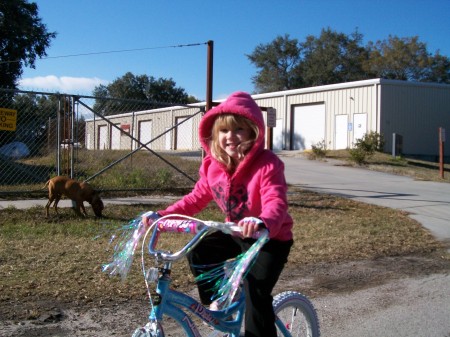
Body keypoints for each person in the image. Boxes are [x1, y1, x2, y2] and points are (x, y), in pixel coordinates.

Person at [143, 91, 293, 337]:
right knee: (201, 250)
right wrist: (162, 215)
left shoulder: (267, 164)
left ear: (253, 132)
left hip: (270, 238)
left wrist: (263, 221)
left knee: (255, 290)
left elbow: (275, 200)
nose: (230, 137)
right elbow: (195, 199)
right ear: (214, 135)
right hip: (235, 232)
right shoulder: (212, 166)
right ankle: (218, 301)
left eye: (239, 130)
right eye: (223, 131)